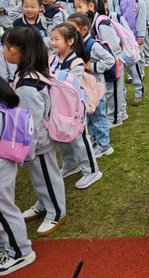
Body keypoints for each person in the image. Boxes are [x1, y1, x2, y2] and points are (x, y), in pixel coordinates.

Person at [1, 27, 67, 237]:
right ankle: (44, 202)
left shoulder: (27, 86)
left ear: (14, 51)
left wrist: (28, 151)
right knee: (40, 177)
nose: (2, 51)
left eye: (4, 46)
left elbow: (33, 124)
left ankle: (57, 211)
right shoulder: (28, 73)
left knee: (47, 175)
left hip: (39, 142)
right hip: (36, 142)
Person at [49, 23, 102, 189]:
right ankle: (71, 164)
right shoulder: (52, 59)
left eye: (57, 39)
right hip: (56, 107)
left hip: (74, 108)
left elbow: (70, 86)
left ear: (70, 41)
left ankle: (92, 170)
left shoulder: (76, 62)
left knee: (79, 139)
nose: (52, 42)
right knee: (61, 136)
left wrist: (50, 80)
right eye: (51, 39)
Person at [0, 77, 37, 276]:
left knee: (4, 209)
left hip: (2, 163)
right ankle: (10, 245)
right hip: (5, 160)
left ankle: (20, 251)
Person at [74, 0, 125, 128]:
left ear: (91, 6)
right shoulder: (90, 22)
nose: (77, 10)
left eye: (80, 7)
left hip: (113, 61)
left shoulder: (101, 23)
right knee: (113, 90)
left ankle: (115, 118)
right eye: (75, 8)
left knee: (114, 91)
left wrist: (96, 65)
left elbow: (113, 46)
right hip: (105, 61)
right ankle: (121, 112)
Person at [67, 13, 115, 158]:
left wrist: (92, 66)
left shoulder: (93, 45)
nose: (68, 30)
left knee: (99, 115)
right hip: (85, 87)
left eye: (72, 28)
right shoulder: (76, 43)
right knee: (90, 114)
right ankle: (95, 138)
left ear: (84, 30)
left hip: (96, 86)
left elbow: (110, 60)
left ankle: (104, 145)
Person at [118, 0, 146, 106]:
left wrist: (140, 36)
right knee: (125, 65)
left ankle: (139, 92)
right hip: (123, 38)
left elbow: (141, 20)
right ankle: (121, 94)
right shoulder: (121, 0)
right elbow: (118, 17)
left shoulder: (140, 2)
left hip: (134, 38)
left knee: (134, 65)